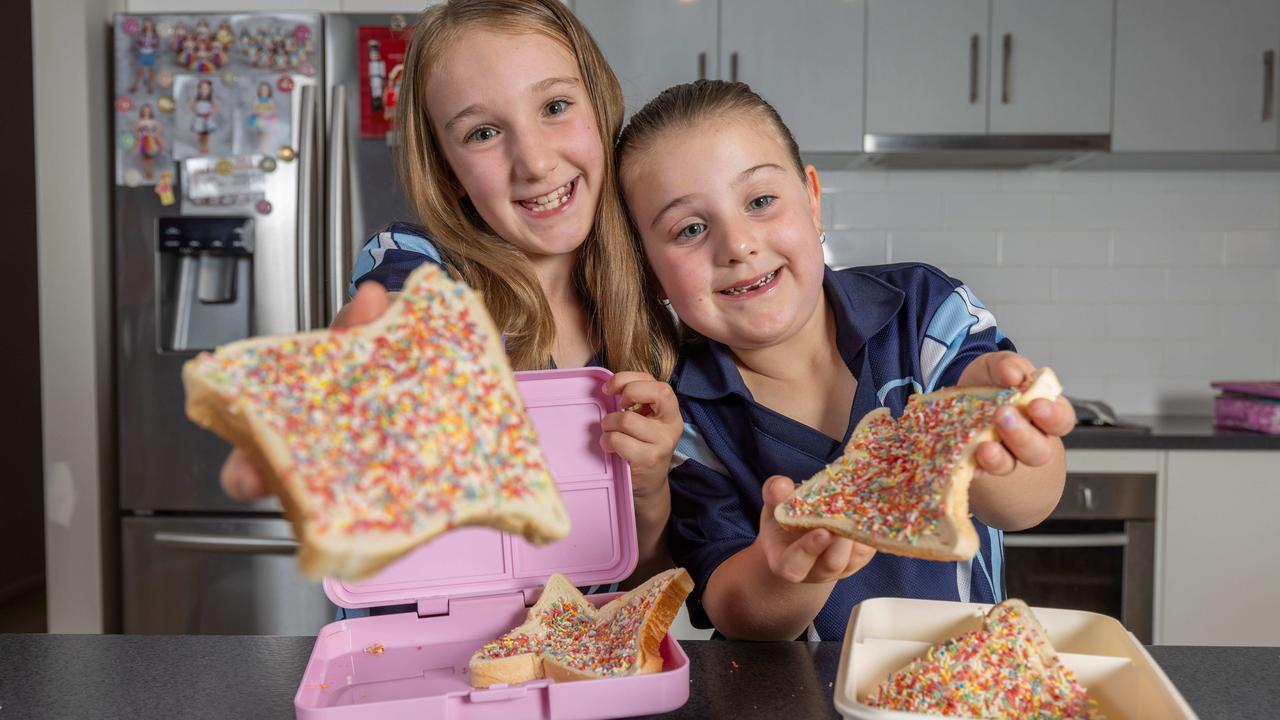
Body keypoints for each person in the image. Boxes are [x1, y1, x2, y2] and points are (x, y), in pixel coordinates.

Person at [219, 0, 681, 588]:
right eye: (483, 133)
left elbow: (636, 572)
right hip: (418, 660)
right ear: (447, 172)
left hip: (576, 673)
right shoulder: (418, 262)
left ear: (600, 105)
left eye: (555, 107)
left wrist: (650, 487)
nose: (535, 162)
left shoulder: (645, 317)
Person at [615, 80, 1076, 641]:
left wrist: (985, 440)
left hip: (963, 690)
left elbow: (1027, 505)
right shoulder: (682, 417)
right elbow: (737, 611)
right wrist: (787, 569)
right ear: (647, 267)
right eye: (690, 229)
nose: (736, 244)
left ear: (812, 199)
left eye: (760, 201)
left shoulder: (924, 312)